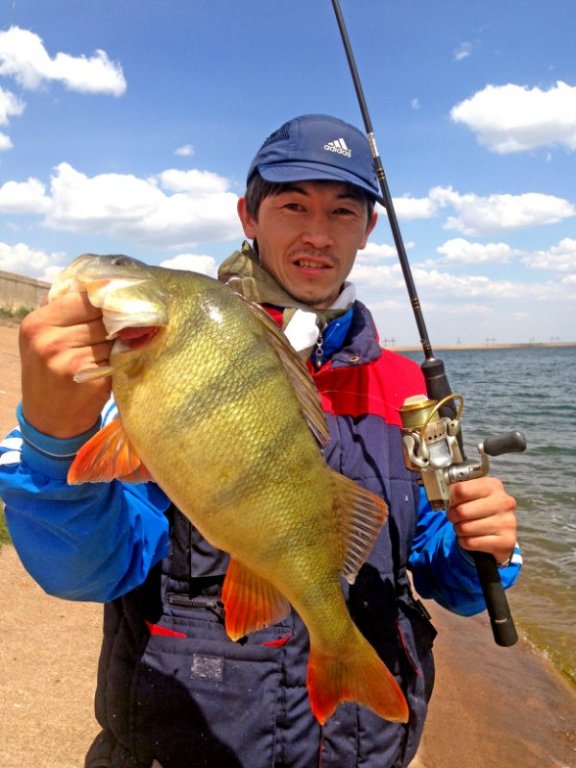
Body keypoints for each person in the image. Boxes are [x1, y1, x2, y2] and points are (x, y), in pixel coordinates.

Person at [0, 114, 521, 768]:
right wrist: (54, 441)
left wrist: (480, 547)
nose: (317, 233)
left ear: (368, 229)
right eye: (293, 205)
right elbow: (86, 568)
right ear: (248, 216)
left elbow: (435, 564)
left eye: (343, 211)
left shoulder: (406, 385)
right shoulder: (160, 363)